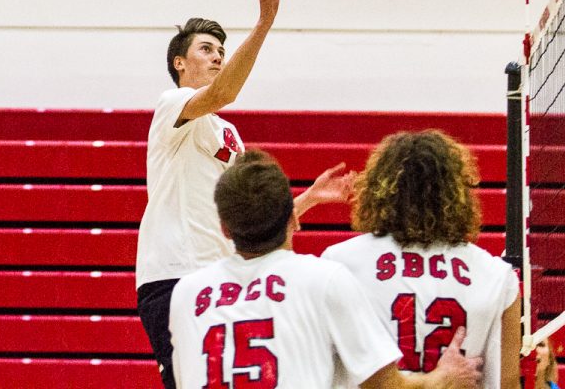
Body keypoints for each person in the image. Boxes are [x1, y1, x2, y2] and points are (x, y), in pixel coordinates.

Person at [136, 0, 353, 388]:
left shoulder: (228, 132)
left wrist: (307, 198)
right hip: (172, 276)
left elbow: (252, 212)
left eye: (220, 48)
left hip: (221, 278)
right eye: (206, 49)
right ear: (179, 63)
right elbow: (223, 93)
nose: (217, 55)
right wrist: (264, 25)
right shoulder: (172, 104)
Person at [168, 150, 483, 389]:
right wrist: (443, 377)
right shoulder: (324, 278)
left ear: (223, 228)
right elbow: (385, 385)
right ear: (292, 219)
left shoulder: (186, 294)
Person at [322, 130, 521, 389]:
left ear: (379, 189)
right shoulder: (496, 275)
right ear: (457, 192)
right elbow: (507, 384)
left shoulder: (340, 263)